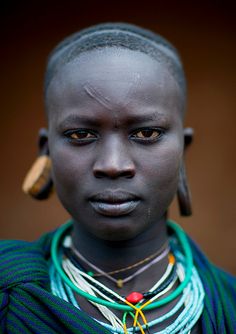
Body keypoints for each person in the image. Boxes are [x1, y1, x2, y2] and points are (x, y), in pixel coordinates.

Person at [0, 22, 235, 334]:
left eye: (146, 133)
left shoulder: (228, 305)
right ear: (47, 151)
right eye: (81, 134)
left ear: (183, 150)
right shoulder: (11, 297)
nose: (113, 165)